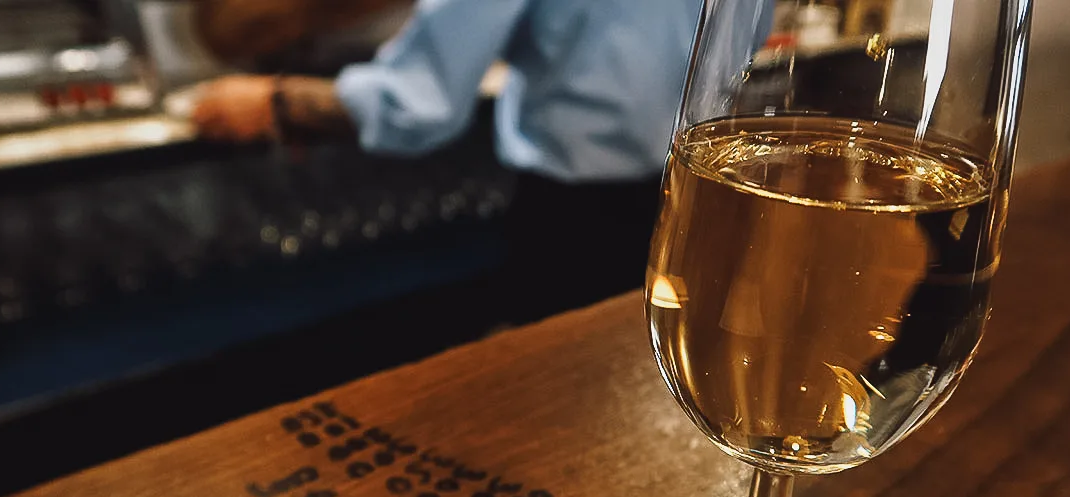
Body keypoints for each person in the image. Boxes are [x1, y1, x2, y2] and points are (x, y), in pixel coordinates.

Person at [192, 0, 703, 320]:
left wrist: (276, 101)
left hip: (579, 222)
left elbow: (419, 102)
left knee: (560, 402)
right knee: (645, 388)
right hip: (698, 198)